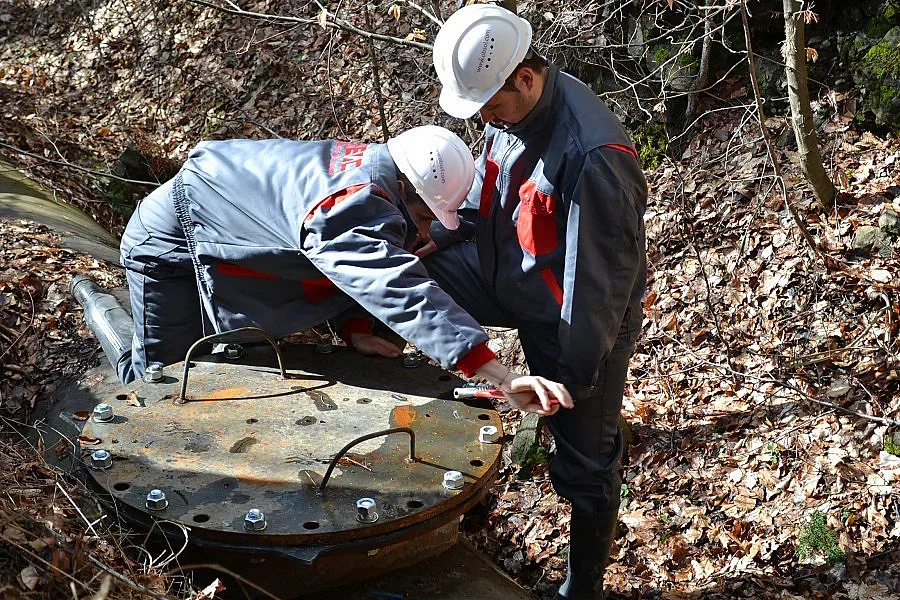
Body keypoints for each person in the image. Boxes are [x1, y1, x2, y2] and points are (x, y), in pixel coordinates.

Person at [104, 125, 572, 415]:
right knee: (162, 383)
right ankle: (106, 323)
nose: (427, 230)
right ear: (409, 189)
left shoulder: (374, 171)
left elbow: (346, 264)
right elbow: (390, 281)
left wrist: (352, 328)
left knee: (204, 368)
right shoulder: (351, 201)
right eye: (429, 216)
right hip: (169, 245)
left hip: (218, 237)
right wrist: (498, 374)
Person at [424, 6, 648, 599]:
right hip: (506, 273)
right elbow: (485, 189)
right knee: (404, 277)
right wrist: (439, 234)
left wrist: (563, 386)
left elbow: (598, 288)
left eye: (492, 106)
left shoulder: (593, 155)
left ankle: (582, 590)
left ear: (525, 77)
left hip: (572, 320)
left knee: (586, 467)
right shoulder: (510, 110)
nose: (487, 119)